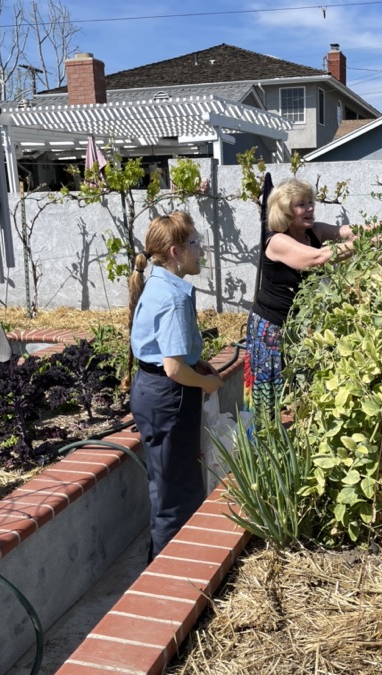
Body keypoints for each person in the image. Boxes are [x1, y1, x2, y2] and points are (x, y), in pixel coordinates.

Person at [244, 178, 382, 419]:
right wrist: (365, 243)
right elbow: (317, 258)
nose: (310, 208)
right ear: (284, 211)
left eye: (310, 202)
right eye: (301, 204)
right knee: (266, 398)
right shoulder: (277, 240)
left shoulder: (314, 232)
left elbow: (346, 231)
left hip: (297, 327)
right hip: (270, 328)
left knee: (297, 392)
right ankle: (259, 448)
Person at [127, 211, 224, 561]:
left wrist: (195, 364)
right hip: (170, 397)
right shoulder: (174, 297)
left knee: (166, 483)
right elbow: (172, 368)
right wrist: (207, 383)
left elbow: (166, 352)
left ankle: (163, 560)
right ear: (174, 251)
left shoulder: (158, 283)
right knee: (177, 493)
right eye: (195, 244)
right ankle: (167, 574)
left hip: (150, 390)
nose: (201, 251)